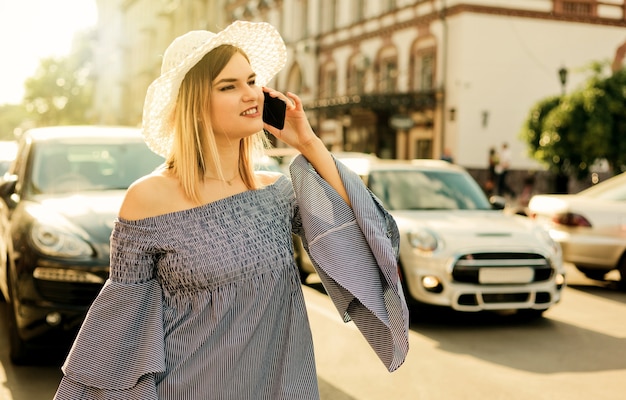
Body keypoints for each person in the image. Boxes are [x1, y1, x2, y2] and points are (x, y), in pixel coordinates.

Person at [54, 21, 409, 399]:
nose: (251, 94)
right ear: (194, 106)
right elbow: (120, 332)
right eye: (229, 86)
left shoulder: (277, 193)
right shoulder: (147, 198)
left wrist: (307, 141)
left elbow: (375, 233)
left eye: (252, 81)